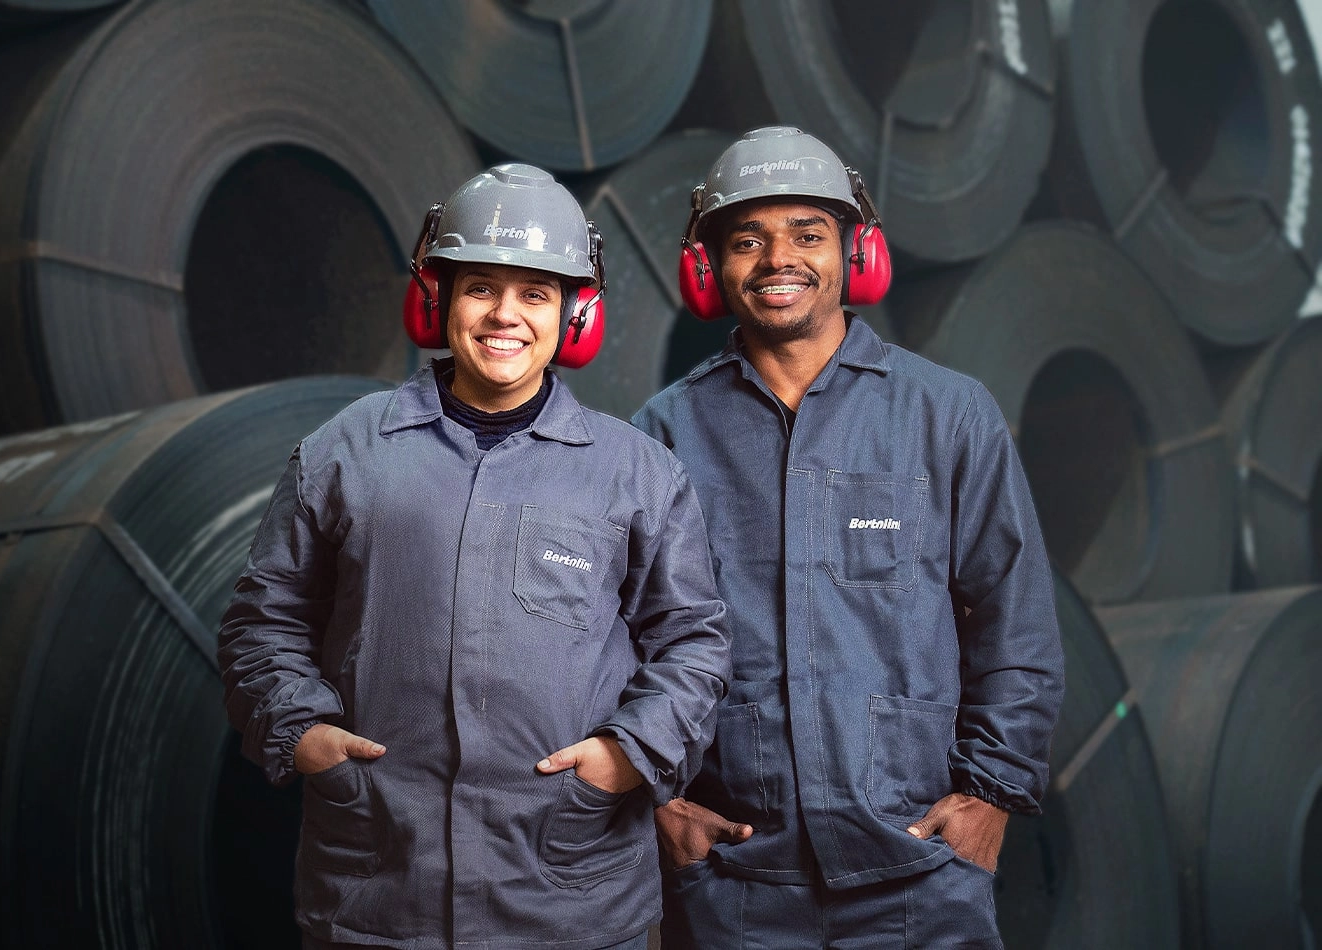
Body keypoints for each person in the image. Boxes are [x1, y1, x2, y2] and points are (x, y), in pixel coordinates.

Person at [219, 163, 732, 950]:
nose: (505, 316)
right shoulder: (347, 449)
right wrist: (303, 734)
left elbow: (694, 642)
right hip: (379, 895)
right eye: (480, 287)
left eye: (535, 293)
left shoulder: (636, 472)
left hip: (575, 901)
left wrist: (628, 756)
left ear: (574, 314)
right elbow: (264, 620)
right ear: (438, 300)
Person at [632, 126, 1065, 948]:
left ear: (855, 254)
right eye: (747, 240)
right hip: (735, 882)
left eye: (808, 234)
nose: (777, 260)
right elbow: (617, 642)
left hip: (920, 872)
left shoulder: (947, 415)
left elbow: (1018, 620)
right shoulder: (663, 433)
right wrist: (657, 805)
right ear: (707, 268)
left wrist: (993, 798)